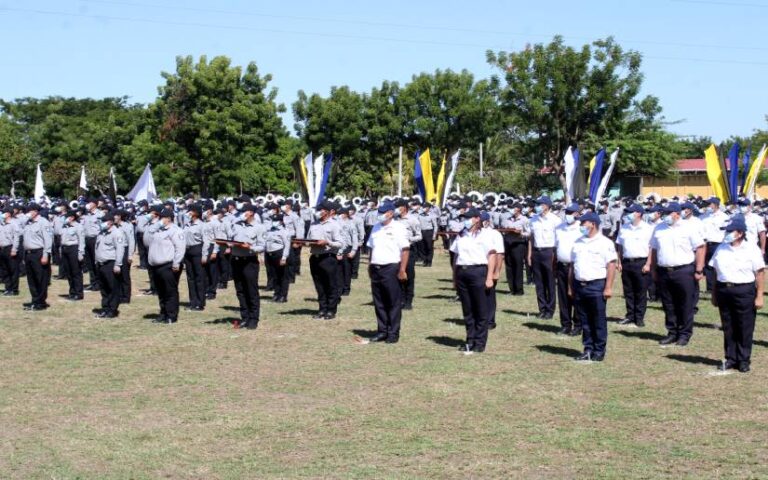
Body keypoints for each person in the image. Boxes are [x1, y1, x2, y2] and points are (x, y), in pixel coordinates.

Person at [710, 217, 765, 373]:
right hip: (724, 290)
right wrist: (714, 293)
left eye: (729, 231)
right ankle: (730, 358)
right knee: (728, 325)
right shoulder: (722, 248)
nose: (726, 234)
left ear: (740, 233)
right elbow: (715, 271)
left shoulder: (751, 249)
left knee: (744, 326)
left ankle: (743, 359)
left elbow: (760, 273)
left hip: (744, 290)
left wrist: (759, 295)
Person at [647, 202, 705, 346]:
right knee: (668, 304)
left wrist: (699, 269)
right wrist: (653, 269)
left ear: (677, 214)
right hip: (664, 271)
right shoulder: (659, 228)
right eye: (664, 213)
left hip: (684, 270)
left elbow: (700, 247)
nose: (665, 215)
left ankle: (684, 334)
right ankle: (672, 332)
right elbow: (654, 249)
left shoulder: (688, 228)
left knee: (685, 304)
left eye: (668, 213)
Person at [569, 212, 617, 362]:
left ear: (593, 224)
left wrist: (608, 287)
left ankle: (599, 350)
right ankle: (588, 348)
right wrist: (570, 286)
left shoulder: (605, 243)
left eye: (584, 223)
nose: (581, 226)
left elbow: (611, 265)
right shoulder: (578, 242)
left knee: (598, 320)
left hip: (596, 285)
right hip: (580, 285)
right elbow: (572, 266)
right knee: (585, 320)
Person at [451, 208, 498, 354]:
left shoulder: (485, 235)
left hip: (478, 272)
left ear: (477, 219)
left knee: (480, 309)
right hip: (462, 272)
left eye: (468, 217)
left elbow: (492, 256)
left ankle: (479, 342)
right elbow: (455, 257)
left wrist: (490, 277)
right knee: (468, 309)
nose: (465, 220)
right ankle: (470, 339)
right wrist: (454, 277)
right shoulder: (461, 235)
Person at [365, 202, 410, 343]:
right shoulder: (376, 228)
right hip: (376, 267)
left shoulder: (399, 227)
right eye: (379, 212)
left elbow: (405, 250)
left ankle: (393, 332)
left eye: (383, 212)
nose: (380, 215)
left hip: (391, 267)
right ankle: (382, 330)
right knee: (379, 302)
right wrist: (369, 264)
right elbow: (371, 247)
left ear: (390, 213)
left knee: (393, 302)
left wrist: (402, 269)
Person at [229, 204, 266, 329]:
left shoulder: (259, 227)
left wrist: (250, 247)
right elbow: (230, 238)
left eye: (244, 212)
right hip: (236, 260)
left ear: (250, 213)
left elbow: (262, 246)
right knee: (240, 290)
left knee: (251, 290)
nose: (241, 214)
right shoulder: (237, 224)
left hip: (249, 261)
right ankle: (244, 317)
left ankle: (253, 318)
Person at [616, 204, 654, 327]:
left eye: (631, 212)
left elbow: (651, 248)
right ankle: (630, 315)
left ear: (638, 213)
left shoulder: (648, 228)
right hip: (627, 262)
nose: (628, 214)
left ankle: (639, 317)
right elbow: (620, 246)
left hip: (641, 262)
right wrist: (619, 261)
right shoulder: (624, 228)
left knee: (640, 291)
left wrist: (648, 263)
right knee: (628, 291)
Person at [147, 208, 186, 324]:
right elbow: (147, 235)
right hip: (156, 265)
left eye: (161, 217)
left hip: (168, 265)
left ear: (168, 219)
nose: (159, 219)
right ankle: (163, 313)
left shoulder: (176, 231)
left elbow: (180, 248)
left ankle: (171, 315)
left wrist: (176, 263)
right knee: (161, 292)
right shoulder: (158, 230)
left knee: (170, 291)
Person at [307, 201, 344, 319]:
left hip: (328, 257)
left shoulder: (334, 225)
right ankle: (322, 309)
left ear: (327, 212)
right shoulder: (314, 224)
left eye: (320, 210)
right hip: (315, 257)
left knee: (330, 285)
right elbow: (308, 239)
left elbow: (340, 243)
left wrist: (327, 242)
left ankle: (331, 310)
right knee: (319, 285)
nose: (318, 212)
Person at [527, 196, 560, 319]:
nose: (537, 206)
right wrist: (529, 254)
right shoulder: (533, 219)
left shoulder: (555, 220)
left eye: (540, 204)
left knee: (550, 282)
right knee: (539, 282)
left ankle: (550, 310)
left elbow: (558, 239)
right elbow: (531, 238)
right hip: (537, 251)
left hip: (549, 252)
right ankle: (542, 308)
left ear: (547, 205)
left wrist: (555, 255)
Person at [554, 203, 583, 336]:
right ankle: (565, 324)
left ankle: (578, 324)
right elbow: (555, 248)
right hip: (562, 266)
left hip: (576, 266)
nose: (568, 215)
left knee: (576, 296)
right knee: (563, 297)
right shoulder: (559, 228)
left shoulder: (581, 229)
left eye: (571, 212)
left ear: (577, 214)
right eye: (567, 212)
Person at [93, 211, 126, 319]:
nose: (102, 223)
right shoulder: (102, 232)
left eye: (104, 221)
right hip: (101, 264)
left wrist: (118, 264)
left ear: (110, 222)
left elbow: (120, 250)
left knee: (112, 288)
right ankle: (105, 308)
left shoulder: (116, 233)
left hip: (110, 263)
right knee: (104, 288)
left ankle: (112, 310)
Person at [21, 203, 53, 311]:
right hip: (28, 254)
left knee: (41, 278)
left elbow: (48, 240)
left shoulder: (43, 223)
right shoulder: (27, 222)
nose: (27, 213)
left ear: (35, 211)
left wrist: (45, 255)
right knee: (31, 279)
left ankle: (41, 302)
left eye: (29, 211)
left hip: (38, 253)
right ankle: (35, 300)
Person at [396, 199, 422, 310]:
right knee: (398, 275)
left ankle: (408, 300)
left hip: (409, 250)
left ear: (405, 207)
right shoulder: (395, 220)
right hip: (397, 251)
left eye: (398, 206)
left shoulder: (413, 220)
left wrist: (408, 239)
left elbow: (419, 236)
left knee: (409, 276)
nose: (396, 209)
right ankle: (400, 299)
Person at [480, 211, 505, 330]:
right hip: (477, 266)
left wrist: (497, 272)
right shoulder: (475, 233)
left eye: (482, 220)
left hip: (490, 266)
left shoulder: (495, 234)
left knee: (489, 294)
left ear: (487, 221)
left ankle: (490, 321)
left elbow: (499, 254)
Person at [183, 204, 209, 311]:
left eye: (191, 211)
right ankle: (192, 301)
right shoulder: (187, 224)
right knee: (190, 277)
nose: (189, 213)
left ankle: (200, 302)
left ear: (196, 213)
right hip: (187, 251)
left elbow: (206, 241)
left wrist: (204, 255)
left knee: (199, 277)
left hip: (197, 250)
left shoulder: (202, 225)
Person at [500, 202, 529, 296]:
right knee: (509, 266)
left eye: (514, 208)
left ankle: (519, 290)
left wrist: (520, 233)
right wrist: (507, 230)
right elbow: (504, 229)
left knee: (518, 266)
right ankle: (512, 289)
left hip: (518, 244)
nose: (512, 209)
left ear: (519, 209)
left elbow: (528, 233)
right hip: (508, 243)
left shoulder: (524, 220)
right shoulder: (508, 219)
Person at [701, 197, 728, 292]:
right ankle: (710, 288)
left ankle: (720, 286)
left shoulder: (724, 217)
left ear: (716, 205)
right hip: (706, 243)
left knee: (718, 265)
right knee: (708, 266)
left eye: (709, 204)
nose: (708, 206)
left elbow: (726, 232)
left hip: (718, 243)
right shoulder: (703, 216)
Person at [264, 213, 291, 302]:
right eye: (273, 220)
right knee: (274, 275)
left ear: (280, 222)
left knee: (282, 276)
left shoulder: (284, 231)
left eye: (276, 221)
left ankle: (283, 295)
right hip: (269, 254)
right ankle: (276, 293)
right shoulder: (269, 230)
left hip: (279, 254)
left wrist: (284, 257)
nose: (274, 222)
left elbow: (287, 245)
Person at [59, 210, 85, 301]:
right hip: (65, 249)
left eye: (67, 217)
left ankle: (78, 293)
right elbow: (61, 238)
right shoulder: (64, 226)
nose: (65, 219)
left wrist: (80, 252)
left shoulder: (78, 226)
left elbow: (81, 240)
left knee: (76, 272)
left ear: (72, 217)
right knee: (69, 273)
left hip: (73, 249)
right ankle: (72, 292)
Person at [0, 206, 22, 296]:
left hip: (10, 248)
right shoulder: (2, 224)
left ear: (8, 214)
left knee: (13, 270)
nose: (1, 214)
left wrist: (14, 249)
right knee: (4, 269)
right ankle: (7, 288)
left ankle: (14, 289)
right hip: (2, 249)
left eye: (3, 212)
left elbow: (16, 238)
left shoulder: (14, 224)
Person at [81, 199, 103, 291]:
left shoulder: (100, 214)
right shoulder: (86, 215)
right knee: (89, 263)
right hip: (86, 239)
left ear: (94, 204)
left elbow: (103, 227)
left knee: (96, 262)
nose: (88, 205)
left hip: (95, 239)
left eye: (89, 203)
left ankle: (99, 283)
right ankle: (93, 282)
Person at [115, 209, 135, 304]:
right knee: (117, 274)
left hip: (125, 250)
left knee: (125, 275)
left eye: (115, 215)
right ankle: (118, 294)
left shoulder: (127, 226)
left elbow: (131, 241)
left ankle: (126, 297)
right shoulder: (114, 226)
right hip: (116, 251)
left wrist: (130, 255)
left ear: (119, 216)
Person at [418, 202, 438, 267]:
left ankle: (429, 261)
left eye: (425, 207)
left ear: (428, 208)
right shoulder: (420, 215)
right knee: (422, 247)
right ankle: (425, 260)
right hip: (422, 231)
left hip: (429, 232)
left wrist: (434, 235)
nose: (423, 208)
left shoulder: (432, 215)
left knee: (429, 247)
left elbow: (435, 226)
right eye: (423, 207)